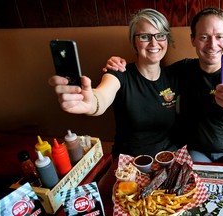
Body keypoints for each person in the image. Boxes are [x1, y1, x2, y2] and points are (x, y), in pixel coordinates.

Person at [103, 7, 223, 164]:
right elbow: (149, 75)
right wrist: (116, 64)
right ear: (193, 40)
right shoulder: (182, 71)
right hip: (195, 150)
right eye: (203, 37)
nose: (212, 45)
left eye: (219, 37)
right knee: (193, 187)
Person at [48, 9, 180, 159]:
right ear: (134, 42)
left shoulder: (174, 76)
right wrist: (91, 103)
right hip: (128, 162)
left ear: (167, 40)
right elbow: (102, 96)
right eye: (144, 36)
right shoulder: (119, 73)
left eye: (160, 35)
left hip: (167, 157)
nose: (154, 43)